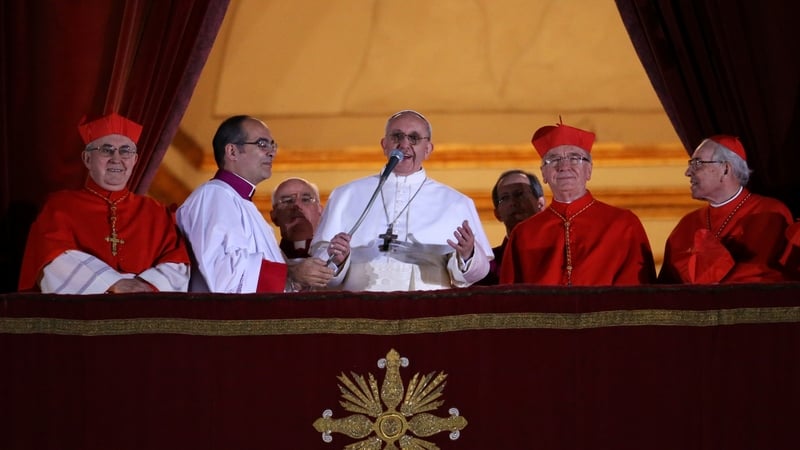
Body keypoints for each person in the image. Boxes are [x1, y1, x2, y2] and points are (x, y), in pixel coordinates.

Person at [310, 109, 492, 291]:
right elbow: (320, 269)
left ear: (428, 149)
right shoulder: (345, 195)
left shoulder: (456, 202)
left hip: (427, 307)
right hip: (361, 304)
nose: (404, 144)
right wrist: (337, 260)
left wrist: (468, 254)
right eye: (397, 136)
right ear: (384, 145)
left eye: (414, 138)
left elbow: (476, 274)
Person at [18, 112, 190, 294]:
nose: (116, 158)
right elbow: (52, 258)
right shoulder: (59, 206)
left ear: (134, 160)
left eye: (125, 151)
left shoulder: (157, 212)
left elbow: (177, 261)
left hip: (144, 308)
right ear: (87, 159)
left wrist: (147, 286)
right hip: (82, 311)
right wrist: (112, 284)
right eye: (106, 150)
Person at [177, 115, 333, 293]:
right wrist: (290, 273)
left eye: (272, 145)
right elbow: (222, 273)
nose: (272, 152)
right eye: (262, 144)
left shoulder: (244, 204)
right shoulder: (214, 196)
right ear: (232, 152)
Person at [500, 120, 656, 286]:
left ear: (589, 170)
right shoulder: (524, 233)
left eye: (575, 158)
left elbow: (640, 294)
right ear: (544, 174)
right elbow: (509, 300)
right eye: (554, 159)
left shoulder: (624, 224)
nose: (564, 166)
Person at [658, 135, 794, 283]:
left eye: (697, 163)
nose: (688, 172)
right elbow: (666, 288)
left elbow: (767, 276)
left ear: (725, 169)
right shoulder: (686, 224)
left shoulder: (770, 213)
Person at [476, 170, 545, 285]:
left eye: (519, 194)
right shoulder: (486, 266)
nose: (513, 202)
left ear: (541, 204)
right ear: (497, 214)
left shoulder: (562, 252)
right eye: (504, 198)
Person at [269, 177, 323, 259]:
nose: (297, 205)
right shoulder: (267, 258)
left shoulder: (337, 256)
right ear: (274, 216)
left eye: (305, 199)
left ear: (320, 210)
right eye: (287, 201)